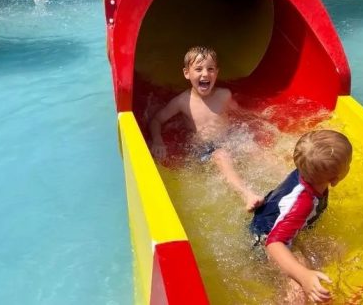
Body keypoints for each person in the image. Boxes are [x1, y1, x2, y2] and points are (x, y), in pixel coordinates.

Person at [149, 46, 264, 212]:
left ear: (216, 73)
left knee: (252, 147)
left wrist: (262, 120)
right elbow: (156, 120)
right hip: (205, 148)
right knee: (221, 155)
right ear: (187, 73)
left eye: (210, 69)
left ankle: (288, 172)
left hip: (229, 137)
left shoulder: (224, 95)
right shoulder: (182, 102)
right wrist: (157, 140)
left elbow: (241, 113)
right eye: (198, 69)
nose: (205, 74)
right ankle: (247, 195)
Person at [250, 129, 352, 303]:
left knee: (338, 248)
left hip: (282, 227)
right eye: (349, 164)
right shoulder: (303, 203)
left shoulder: (308, 170)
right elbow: (273, 243)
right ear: (335, 180)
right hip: (265, 240)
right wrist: (303, 275)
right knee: (298, 291)